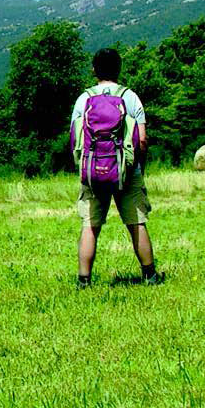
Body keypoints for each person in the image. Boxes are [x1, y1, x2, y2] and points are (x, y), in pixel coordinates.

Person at [70, 47, 161, 288]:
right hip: (126, 171)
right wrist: (135, 165)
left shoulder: (83, 99)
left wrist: (84, 165)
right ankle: (150, 275)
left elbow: (75, 139)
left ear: (93, 70)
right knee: (136, 222)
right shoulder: (130, 97)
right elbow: (141, 139)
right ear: (119, 69)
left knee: (90, 225)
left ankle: (83, 280)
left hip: (92, 171)